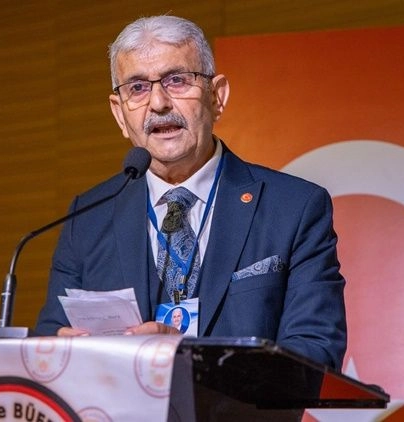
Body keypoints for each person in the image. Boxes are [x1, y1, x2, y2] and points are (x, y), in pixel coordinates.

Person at [35, 15, 346, 371]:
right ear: (120, 115)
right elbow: (49, 342)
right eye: (137, 88)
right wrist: (62, 353)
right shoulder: (87, 218)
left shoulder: (294, 208)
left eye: (177, 80)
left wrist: (191, 361)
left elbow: (316, 354)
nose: (158, 103)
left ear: (216, 96)